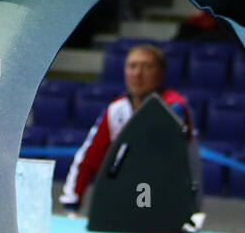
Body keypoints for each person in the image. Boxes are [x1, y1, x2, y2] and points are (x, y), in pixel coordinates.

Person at [59, 44, 195, 210]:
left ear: (161, 74)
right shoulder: (116, 109)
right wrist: (72, 200)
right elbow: (88, 158)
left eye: (147, 66)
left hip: (170, 199)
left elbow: (160, 159)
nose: (138, 74)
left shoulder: (174, 106)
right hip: (127, 198)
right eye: (132, 66)